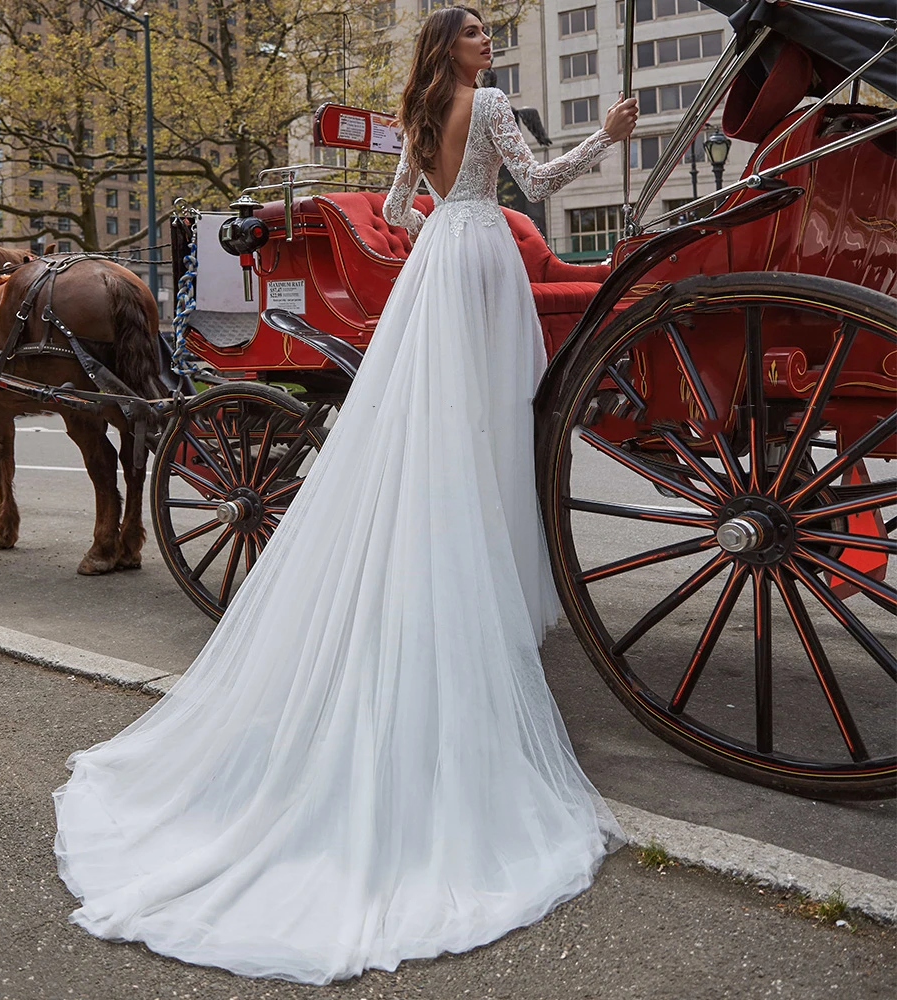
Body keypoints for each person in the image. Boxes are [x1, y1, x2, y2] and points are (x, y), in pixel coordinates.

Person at [53, 4, 638, 986]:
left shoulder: (416, 115)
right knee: (489, 435)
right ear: (450, 46)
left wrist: (447, 216)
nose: (487, 42)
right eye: (476, 32)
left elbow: (403, 214)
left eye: (489, 34)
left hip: (433, 272)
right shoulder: (489, 103)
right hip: (485, 260)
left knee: (439, 438)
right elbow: (537, 185)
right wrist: (606, 140)